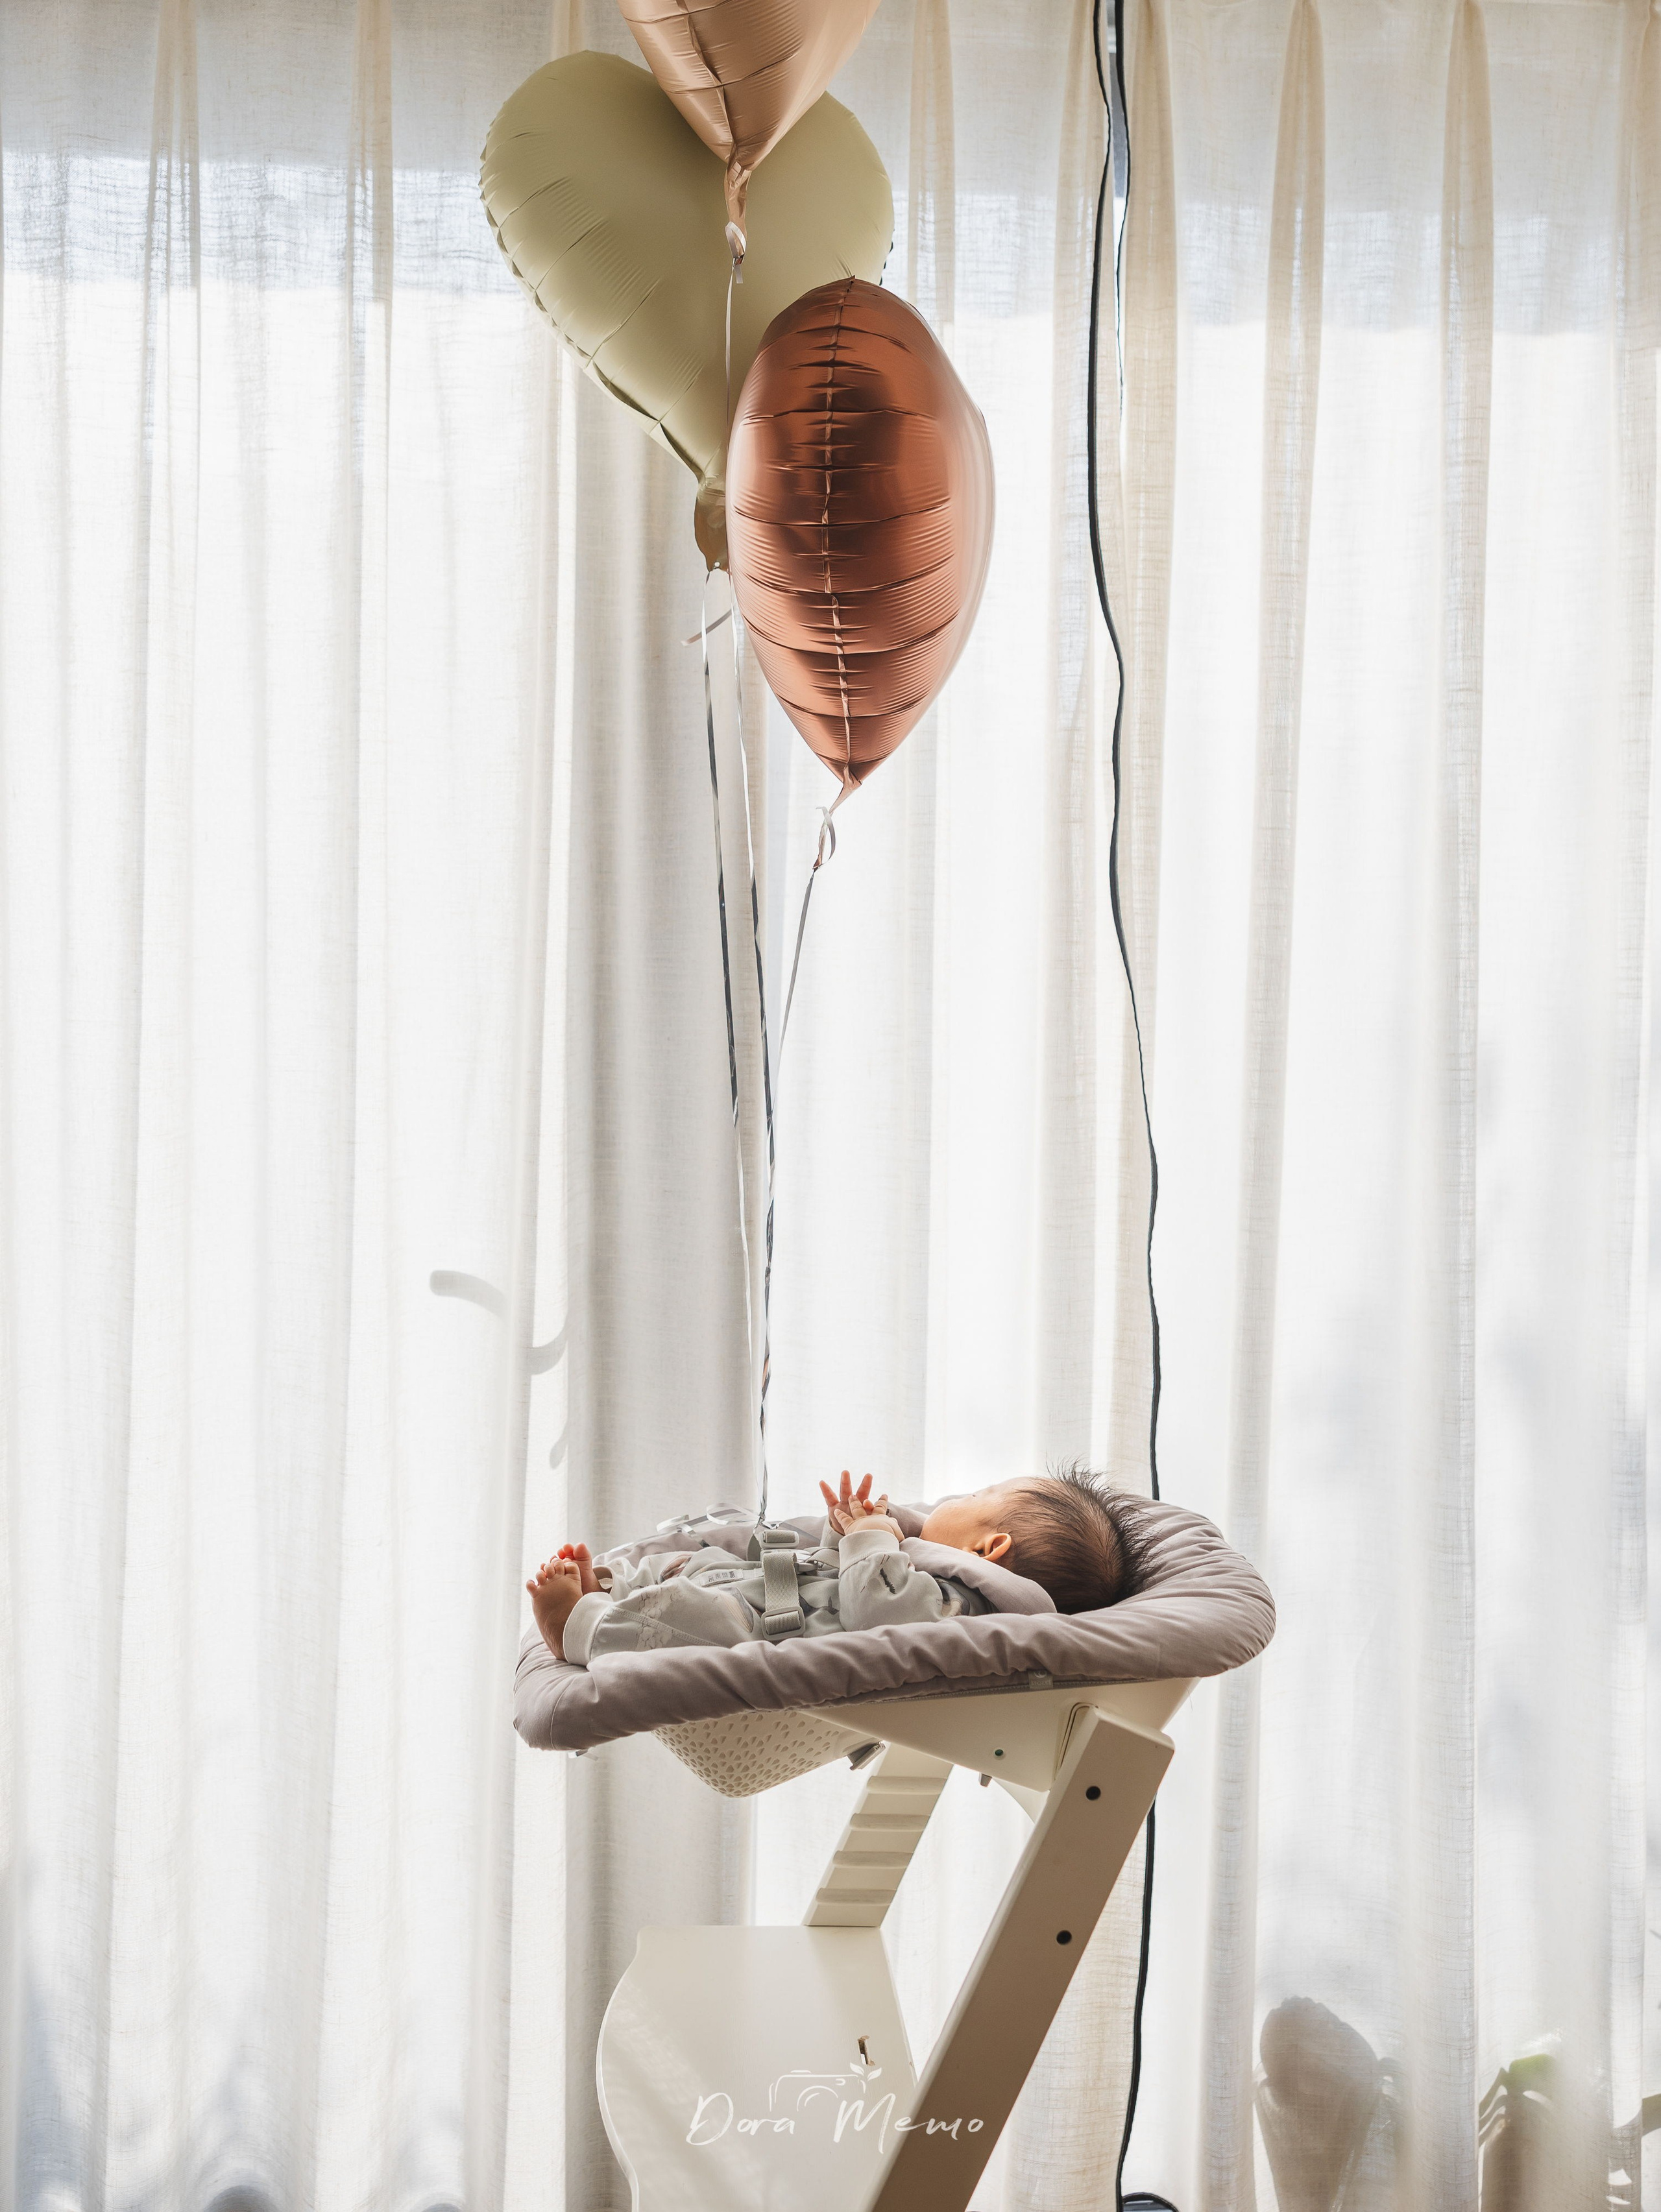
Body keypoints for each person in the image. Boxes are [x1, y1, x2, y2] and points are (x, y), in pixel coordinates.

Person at [526, 1465, 1148, 1666]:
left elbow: (877, 1612)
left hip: (765, 1627)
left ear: (990, 1551)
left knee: (690, 1614)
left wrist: (875, 1542)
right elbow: (838, 1575)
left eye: (970, 1501)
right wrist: (846, 1533)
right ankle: (609, 1587)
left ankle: (581, 1629)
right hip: (771, 1592)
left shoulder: (968, 1608)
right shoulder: (936, 1571)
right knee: (703, 1562)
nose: (949, 1501)